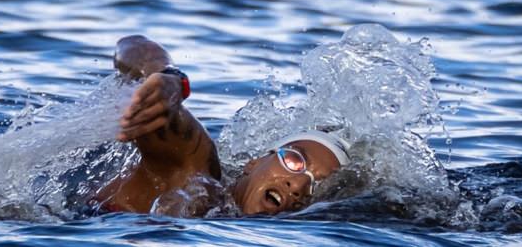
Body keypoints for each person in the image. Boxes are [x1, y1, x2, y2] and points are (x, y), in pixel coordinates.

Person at [89, 35, 351, 216]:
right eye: (295, 162)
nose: (299, 187)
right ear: (254, 162)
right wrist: (170, 81)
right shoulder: (196, 175)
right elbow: (134, 46)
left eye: (317, 186)